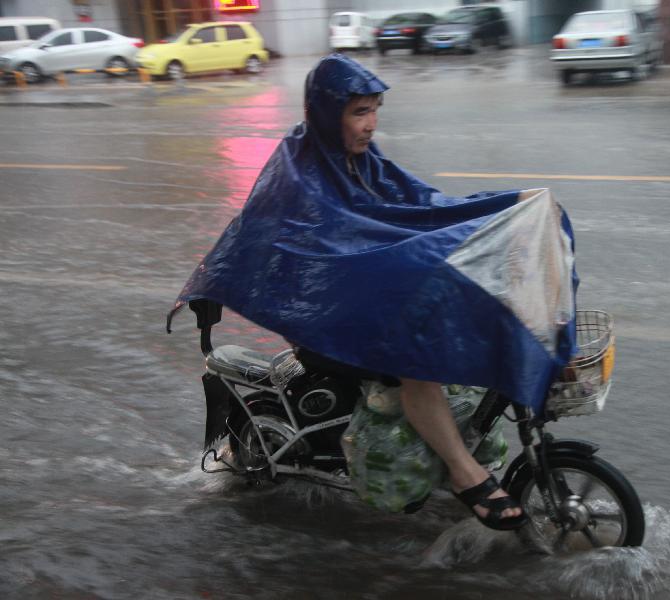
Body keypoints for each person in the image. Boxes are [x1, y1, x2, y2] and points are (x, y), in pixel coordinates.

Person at [171, 54, 578, 531]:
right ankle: (466, 475)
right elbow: (298, 245)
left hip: (367, 304)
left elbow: (424, 210)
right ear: (328, 114)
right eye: (358, 113)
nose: (370, 124)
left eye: (374, 110)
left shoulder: (363, 161)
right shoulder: (297, 172)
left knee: (469, 314)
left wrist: (506, 209)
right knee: (416, 365)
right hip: (324, 322)